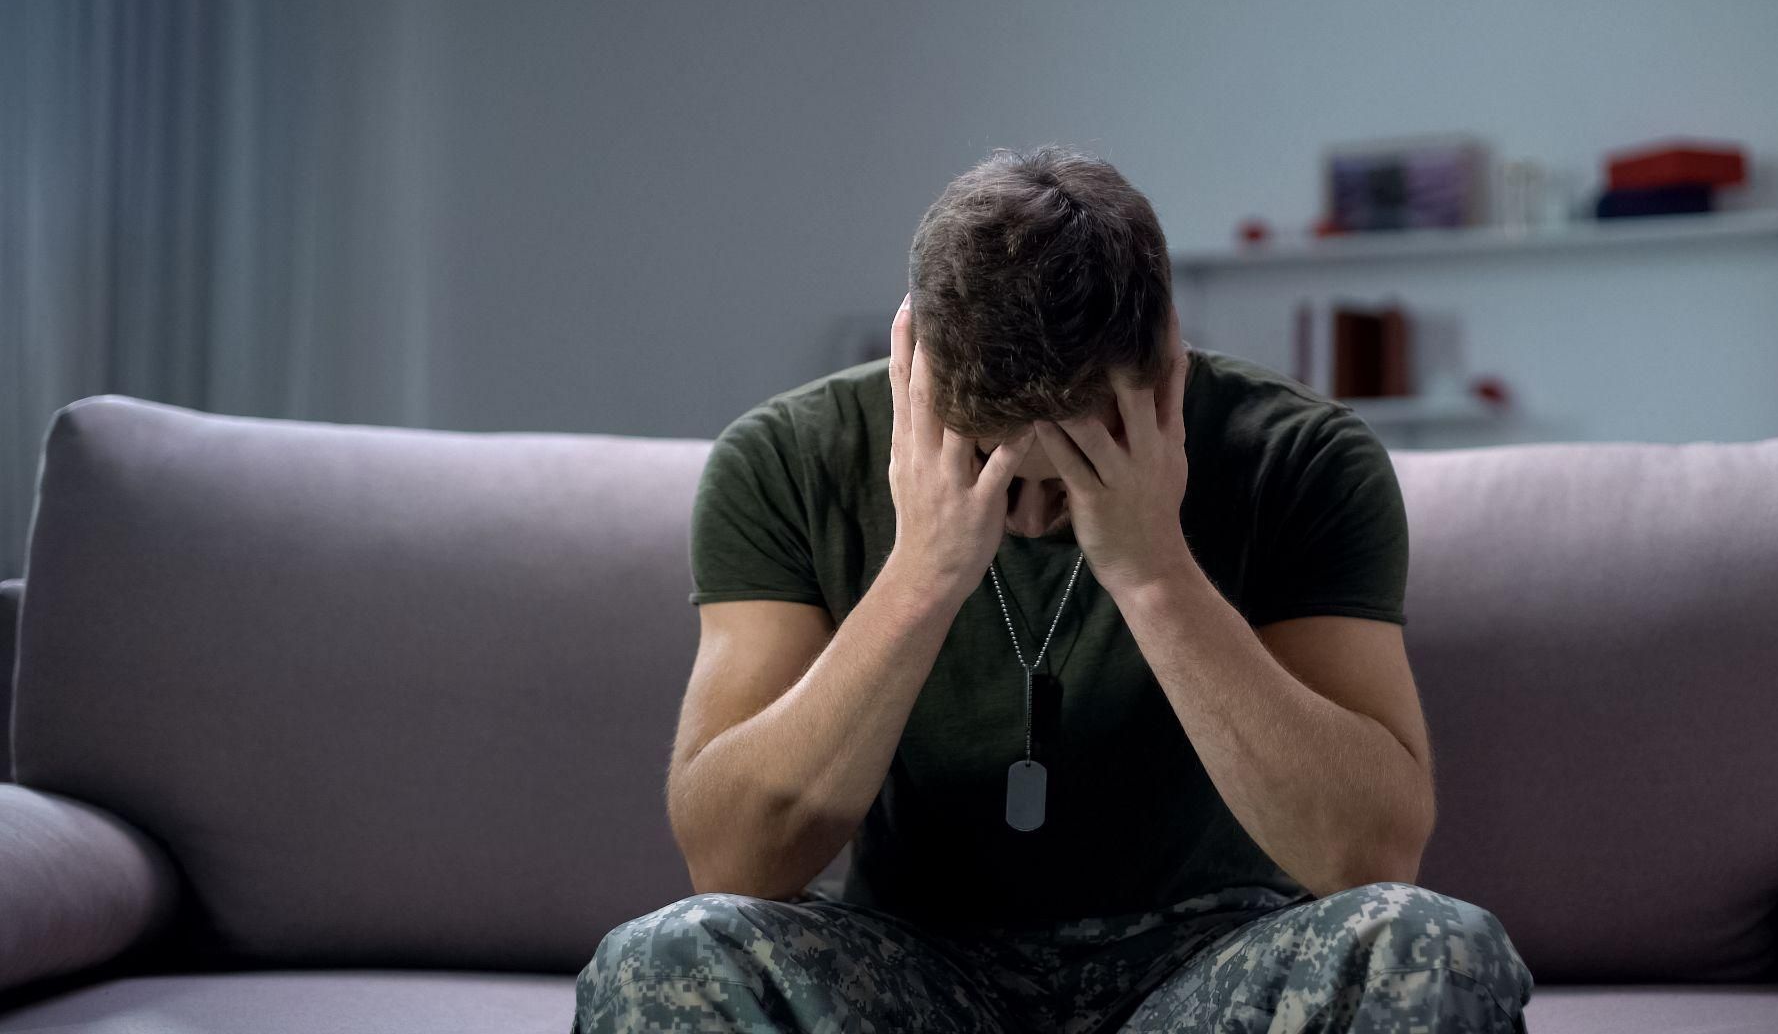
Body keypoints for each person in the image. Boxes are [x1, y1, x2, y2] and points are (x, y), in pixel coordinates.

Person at [574, 146, 1532, 1033]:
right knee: (662, 959)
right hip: (918, 962)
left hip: (1206, 963)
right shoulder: (783, 460)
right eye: (986, 459)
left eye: (1078, 462)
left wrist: (1154, 572)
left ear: (1166, 366)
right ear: (915, 362)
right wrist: (923, 575)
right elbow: (732, 861)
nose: (1027, 515)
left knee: (1433, 946)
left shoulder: (1305, 459)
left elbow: (1369, 857)